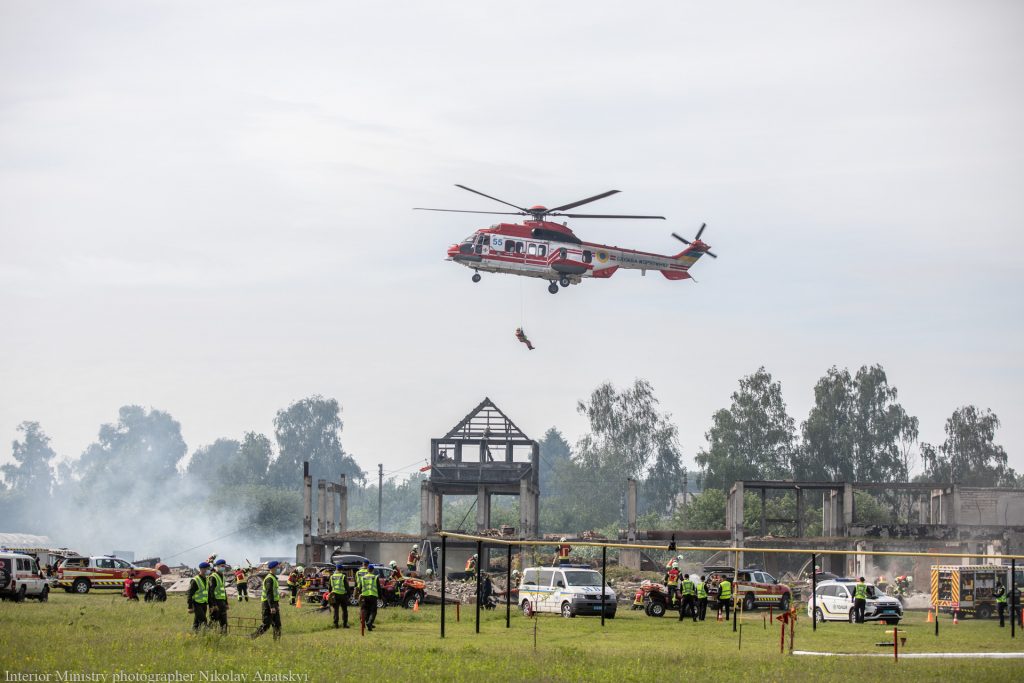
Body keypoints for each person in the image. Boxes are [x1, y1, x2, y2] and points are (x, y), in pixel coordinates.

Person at [251, 561, 282, 640]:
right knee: (266, 625)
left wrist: (280, 595)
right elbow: (269, 593)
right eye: (278, 567)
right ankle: (252, 637)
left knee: (277, 624)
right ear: (273, 568)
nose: (279, 568)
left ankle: (277, 643)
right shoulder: (269, 579)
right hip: (268, 604)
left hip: (274, 603)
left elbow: (273, 592)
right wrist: (272, 606)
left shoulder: (273, 578)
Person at [187, 562, 211, 633]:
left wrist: (211, 605)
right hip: (196, 603)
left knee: (197, 621)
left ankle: (194, 633)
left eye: (209, 569)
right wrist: (190, 607)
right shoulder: (195, 580)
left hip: (204, 603)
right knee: (203, 620)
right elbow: (189, 594)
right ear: (202, 569)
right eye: (207, 569)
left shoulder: (207, 579)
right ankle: (207, 634)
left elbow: (207, 593)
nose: (208, 570)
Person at [208, 559, 229, 634]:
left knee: (224, 622)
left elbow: (223, 590)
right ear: (217, 566)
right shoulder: (213, 577)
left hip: (222, 602)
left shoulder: (223, 577)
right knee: (214, 620)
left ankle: (224, 636)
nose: (223, 568)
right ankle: (206, 634)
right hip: (216, 602)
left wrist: (226, 603)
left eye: (224, 566)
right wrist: (213, 604)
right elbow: (211, 592)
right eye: (222, 566)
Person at [358, 560, 380, 631]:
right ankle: (369, 622)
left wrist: (360, 594)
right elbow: (378, 587)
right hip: (373, 596)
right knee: (373, 611)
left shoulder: (363, 577)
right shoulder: (375, 577)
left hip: (365, 596)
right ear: (373, 570)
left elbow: (361, 587)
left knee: (365, 610)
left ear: (367, 570)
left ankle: (365, 622)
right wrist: (380, 596)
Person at [329, 564, 350, 629]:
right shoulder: (343, 576)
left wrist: (330, 594)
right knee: (344, 610)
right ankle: (345, 624)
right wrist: (349, 594)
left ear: (336, 569)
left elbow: (330, 587)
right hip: (343, 595)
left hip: (335, 595)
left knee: (336, 610)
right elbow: (347, 586)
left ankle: (336, 624)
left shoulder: (332, 577)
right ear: (341, 570)